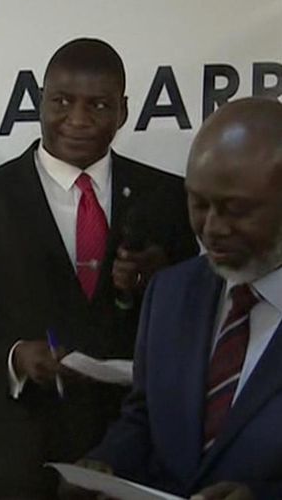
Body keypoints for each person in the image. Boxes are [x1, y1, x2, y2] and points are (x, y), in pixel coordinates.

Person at [0, 38, 199, 499]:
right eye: (63, 102)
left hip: (136, 460)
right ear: (41, 100)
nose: (78, 120)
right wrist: (14, 357)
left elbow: (199, 330)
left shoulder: (168, 196)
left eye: (98, 105)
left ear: (123, 110)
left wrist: (163, 281)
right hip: (22, 461)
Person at [82, 97, 282, 500]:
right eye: (199, 203)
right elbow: (144, 417)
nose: (211, 228)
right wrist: (106, 463)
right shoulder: (171, 292)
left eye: (236, 210)